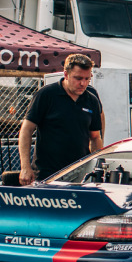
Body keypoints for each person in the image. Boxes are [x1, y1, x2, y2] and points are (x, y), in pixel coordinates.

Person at [18, 53, 103, 185]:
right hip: (47, 173)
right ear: (66, 74)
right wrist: (25, 167)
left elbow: (96, 137)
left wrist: (98, 167)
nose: (83, 83)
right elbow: (26, 130)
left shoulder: (91, 100)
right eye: (78, 78)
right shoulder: (46, 95)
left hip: (80, 173)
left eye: (87, 79)